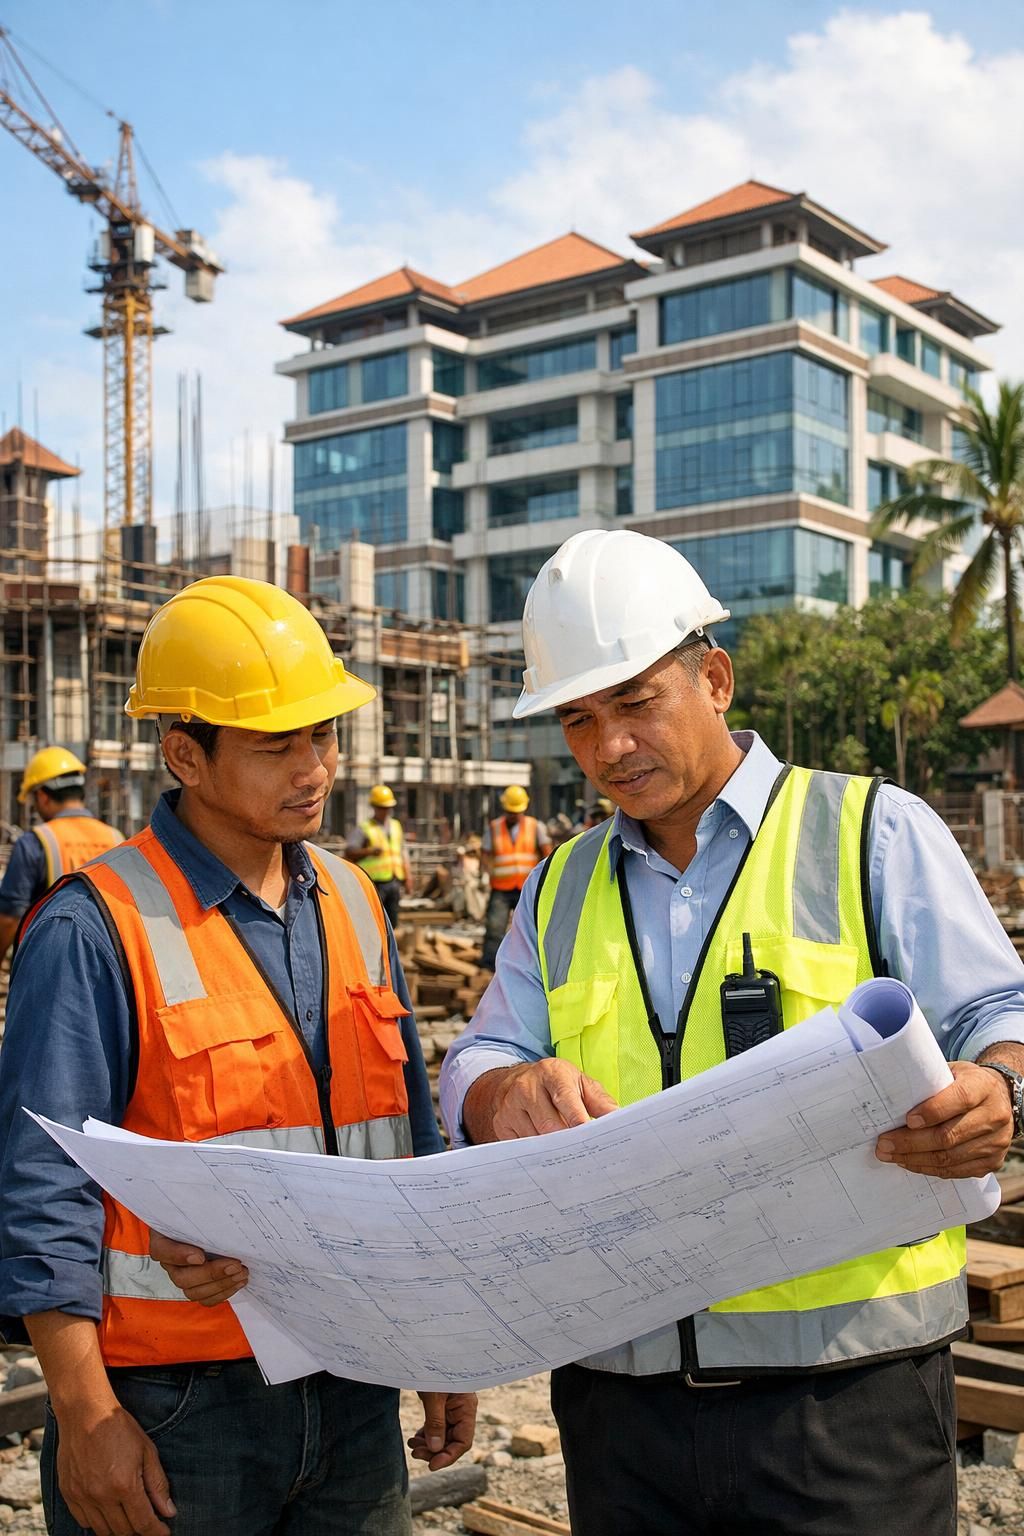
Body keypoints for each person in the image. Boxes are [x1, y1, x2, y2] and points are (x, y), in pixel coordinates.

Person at [440, 528, 1024, 1536]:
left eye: (635, 702)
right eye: (578, 718)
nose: (608, 748)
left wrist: (999, 1086)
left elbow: (998, 1015)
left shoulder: (869, 832)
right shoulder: (558, 885)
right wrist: (498, 1093)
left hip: (848, 1400)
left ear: (713, 680)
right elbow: (482, 1056)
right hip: (620, 1407)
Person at [0, 576, 475, 1536]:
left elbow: (409, 1146)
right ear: (186, 754)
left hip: (354, 1387)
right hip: (176, 1408)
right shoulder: (95, 927)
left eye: (324, 736)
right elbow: (42, 1191)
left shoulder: (355, 901)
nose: (315, 768)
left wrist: (432, 1343)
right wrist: (87, 1417)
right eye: (275, 744)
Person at [0, 747, 121, 965]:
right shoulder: (116, 839)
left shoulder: (35, 842)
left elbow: (10, 918)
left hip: (51, 966)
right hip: (110, 967)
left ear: (42, 796)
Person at [480, 786, 550, 971]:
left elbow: (547, 852)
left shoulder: (535, 827)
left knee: (532, 928)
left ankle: (534, 966)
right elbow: (485, 854)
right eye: (510, 811)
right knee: (495, 927)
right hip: (501, 887)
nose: (513, 815)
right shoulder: (494, 827)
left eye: (516, 811)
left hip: (528, 887)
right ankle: (490, 966)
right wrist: (484, 873)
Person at [346, 783, 411, 931]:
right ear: (374, 807)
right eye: (382, 808)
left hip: (394, 880)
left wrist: (408, 876)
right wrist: (369, 851)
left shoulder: (396, 826)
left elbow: (402, 851)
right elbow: (349, 852)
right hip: (374, 883)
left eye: (388, 807)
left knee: (392, 922)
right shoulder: (364, 828)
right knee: (374, 920)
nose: (385, 811)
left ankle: (389, 944)